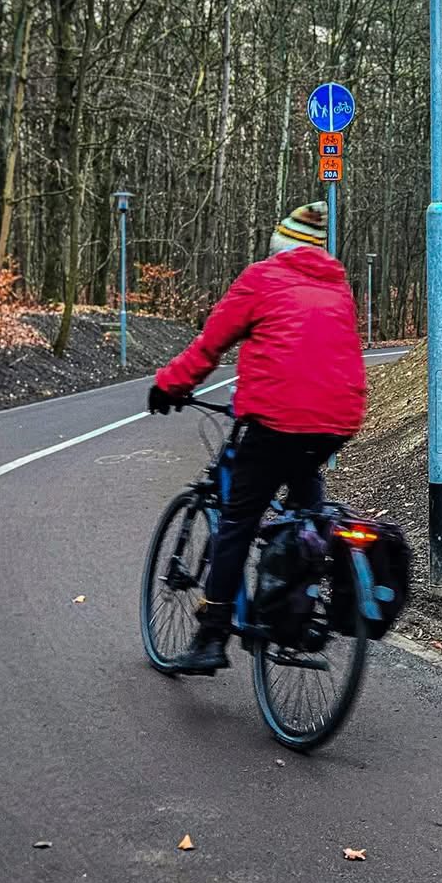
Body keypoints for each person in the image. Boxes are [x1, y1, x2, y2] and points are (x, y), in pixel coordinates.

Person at [147, 201, 367, 672]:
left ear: (279, 247)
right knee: (306, 516)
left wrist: (170, 385)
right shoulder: (339, 287)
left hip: (275, 421)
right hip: (337, 422)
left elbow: (210, 345)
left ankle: (210, 637)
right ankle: (299, 610)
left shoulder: (261, 279)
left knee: (238, 522)